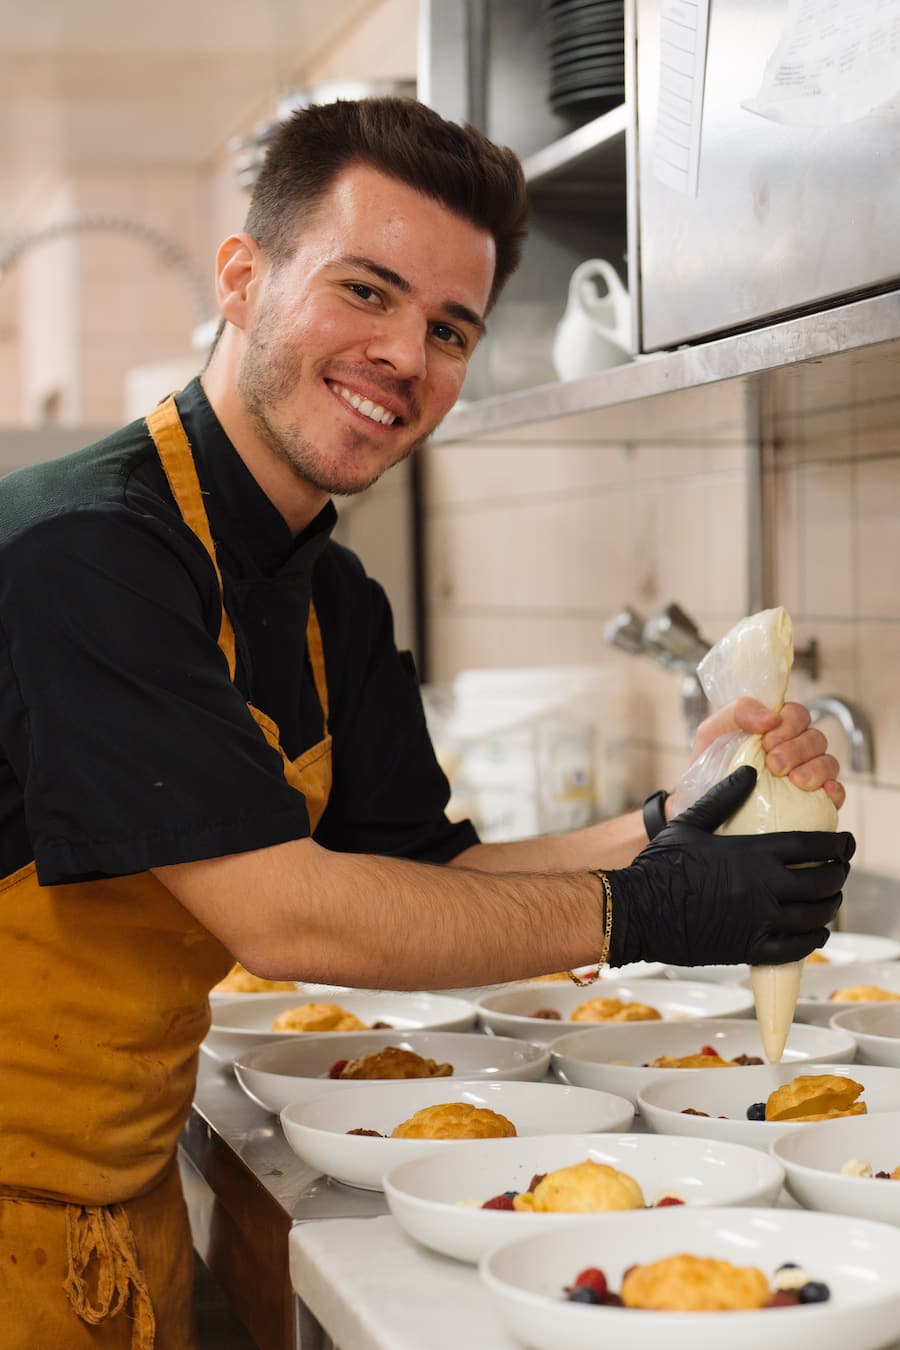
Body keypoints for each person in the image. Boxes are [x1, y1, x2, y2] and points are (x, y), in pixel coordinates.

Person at [0, 97, 851, 1348]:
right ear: (244, 278)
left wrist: (684, 815)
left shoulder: (328, 592)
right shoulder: (95, 552)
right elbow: (286, 916)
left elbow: (424, 875)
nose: (406, 353)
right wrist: (646, 909)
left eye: (449, 327)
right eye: (365, 291)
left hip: (115, 1208)